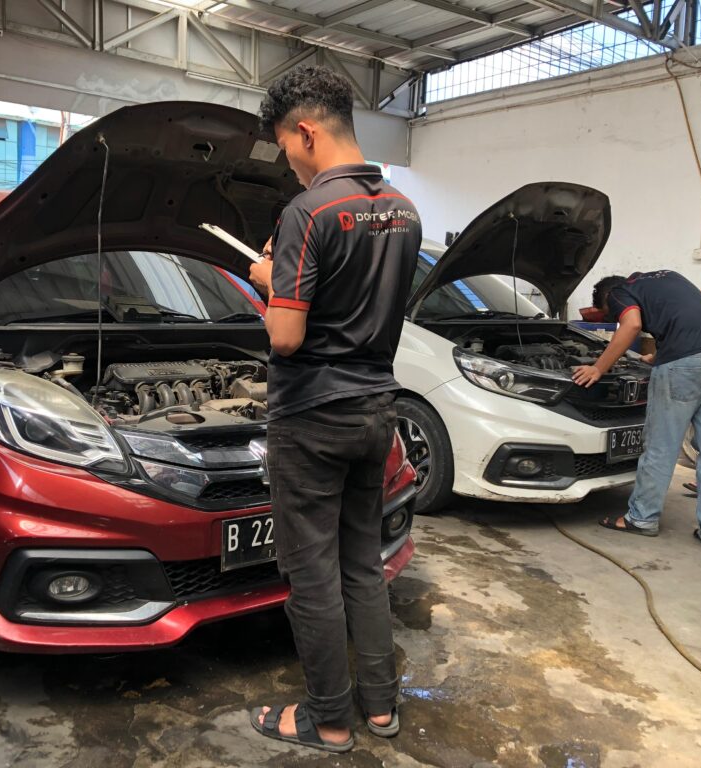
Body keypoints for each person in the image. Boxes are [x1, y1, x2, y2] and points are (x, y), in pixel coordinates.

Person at [246, 64, 421, 753]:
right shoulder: (405, 209)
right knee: (362, 563)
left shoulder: (307, 213)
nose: (289, 163)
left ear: (307, 132)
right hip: (375, 410)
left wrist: (268, 280)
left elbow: (286, 335)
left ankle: (329, 719)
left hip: (312, 416)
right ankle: (379, 708)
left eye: (287, 147)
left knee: (311, 576)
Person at [573, 271, 701, 551]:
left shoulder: (618, 291)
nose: (614, 315)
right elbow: (684, 321)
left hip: (687, 363)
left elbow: (631, 325)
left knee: (661, 445)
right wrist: (659, 355)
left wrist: (598, 367)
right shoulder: (668, 278)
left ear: (606, 298)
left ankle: (642, 518)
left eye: (610, 314)